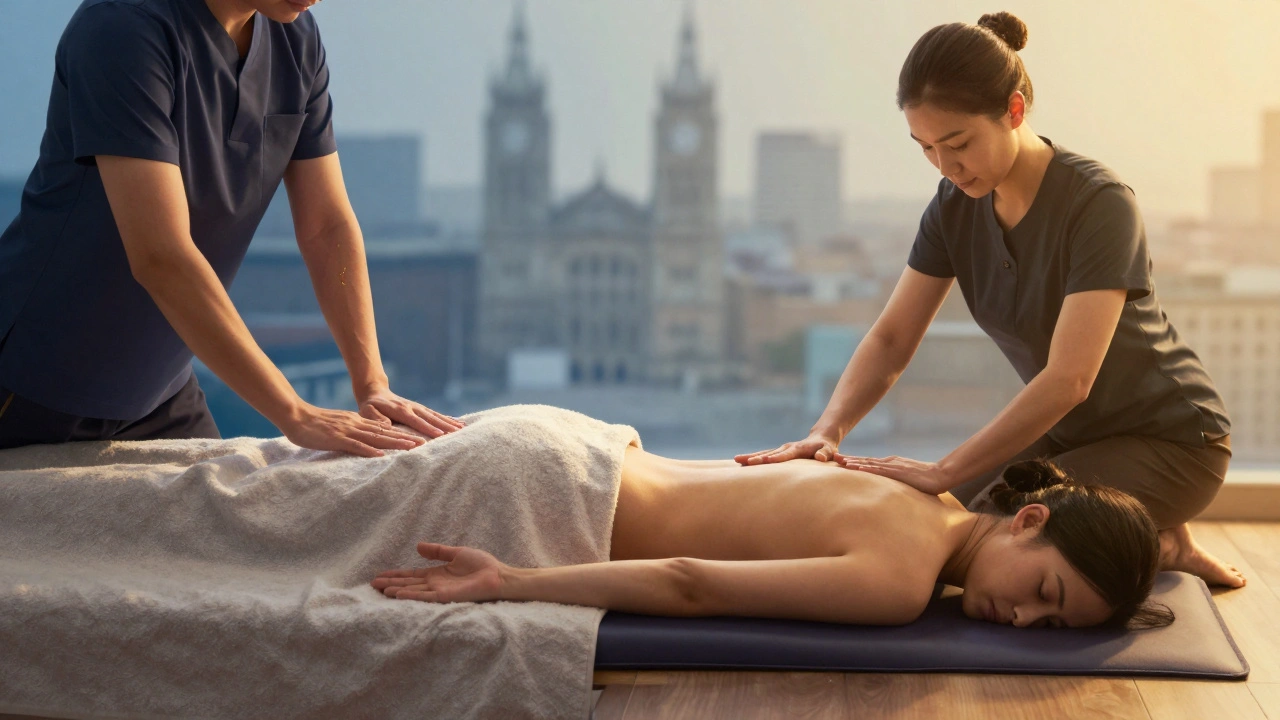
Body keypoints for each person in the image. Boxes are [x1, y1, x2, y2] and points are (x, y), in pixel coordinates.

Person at [734, 11, 1243, 589]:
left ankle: (1153, 530)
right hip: (1069, 436)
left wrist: (943, 468)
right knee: (936, 520)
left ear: (1015, 110)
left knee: (983, 541)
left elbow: (1069, 380)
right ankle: (1156, 536)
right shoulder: (953, 206)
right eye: (925, 147)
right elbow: (893, 337)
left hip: (1174, 441)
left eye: (959, 143)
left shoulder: (1100, 204)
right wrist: (827, 431)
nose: (946, 167)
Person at [0, 0, 461, 456]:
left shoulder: (295, 38)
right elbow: (162, 256)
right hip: (31, 381)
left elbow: (327, 230)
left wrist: (371, 383)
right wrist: (294, 413)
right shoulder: (122, 30)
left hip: (158, 393)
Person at [373, 443, 1173, 630]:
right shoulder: (898, 583)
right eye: (1044, 594)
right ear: (1029, 519)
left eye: (1053, 625)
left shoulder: (921, 488)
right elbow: (692, 580)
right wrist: (509, 582)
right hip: (552, 497)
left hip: (580, 446)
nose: (1025, 620)